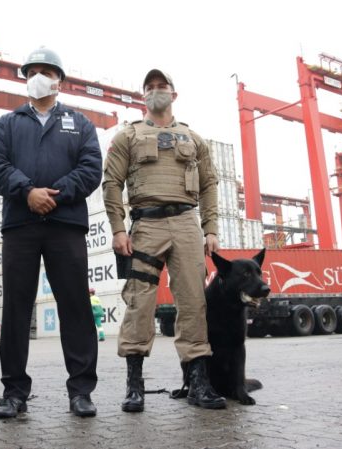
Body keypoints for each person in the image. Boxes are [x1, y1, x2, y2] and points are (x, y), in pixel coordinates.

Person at [0, 47, 102, 418]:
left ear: (58, 79)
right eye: (32, 70)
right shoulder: (7, 124)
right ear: (25, 77)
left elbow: (91, 167)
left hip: (65, 225)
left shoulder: (79, 123)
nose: (38, 76)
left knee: (76, 308)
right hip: (21, 226)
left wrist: (57, 194)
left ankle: (81, 391)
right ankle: (14, 392)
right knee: (17, 310)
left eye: (45, 70)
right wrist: (27, 192)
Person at [102, 69, 225, 412]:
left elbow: (209, 184)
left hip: (187, 223)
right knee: (140, 302)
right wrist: (118, 229)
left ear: (175, 94)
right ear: (144, 96)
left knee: (193, 301)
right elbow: (111, 183)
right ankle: (134, 385)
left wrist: (211, 228)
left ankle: (198, 382)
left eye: (162, 86)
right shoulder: (128, 135)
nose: (156, 91)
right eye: (150, 87)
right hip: (146, 224)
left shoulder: (194, 138)